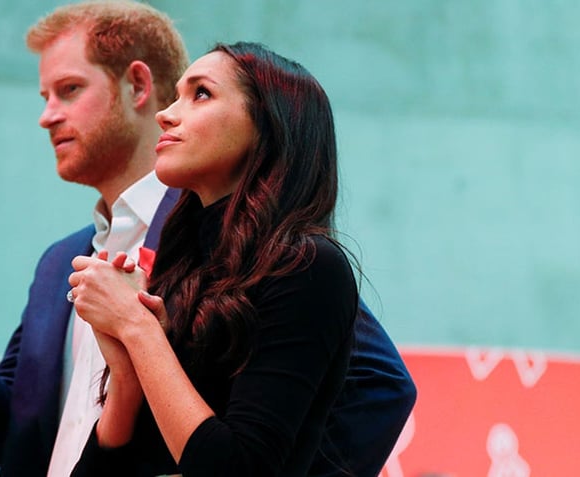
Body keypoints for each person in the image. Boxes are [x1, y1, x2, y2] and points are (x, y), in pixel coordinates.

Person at [0, 2, 415, 476]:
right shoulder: (61, 262)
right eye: (45, 95)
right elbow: (5, 435)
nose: (47, 115)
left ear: (137, 86)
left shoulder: (256, 244)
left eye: (69, 90)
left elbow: (375, 386)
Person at [67, 39, 364, 476]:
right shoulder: (181, 265)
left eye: (201, 93)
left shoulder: (308, 266)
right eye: (175, 96)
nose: (166, 114)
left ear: (267, 125)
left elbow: (237, 467)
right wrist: (127, 372)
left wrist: (137, 327)